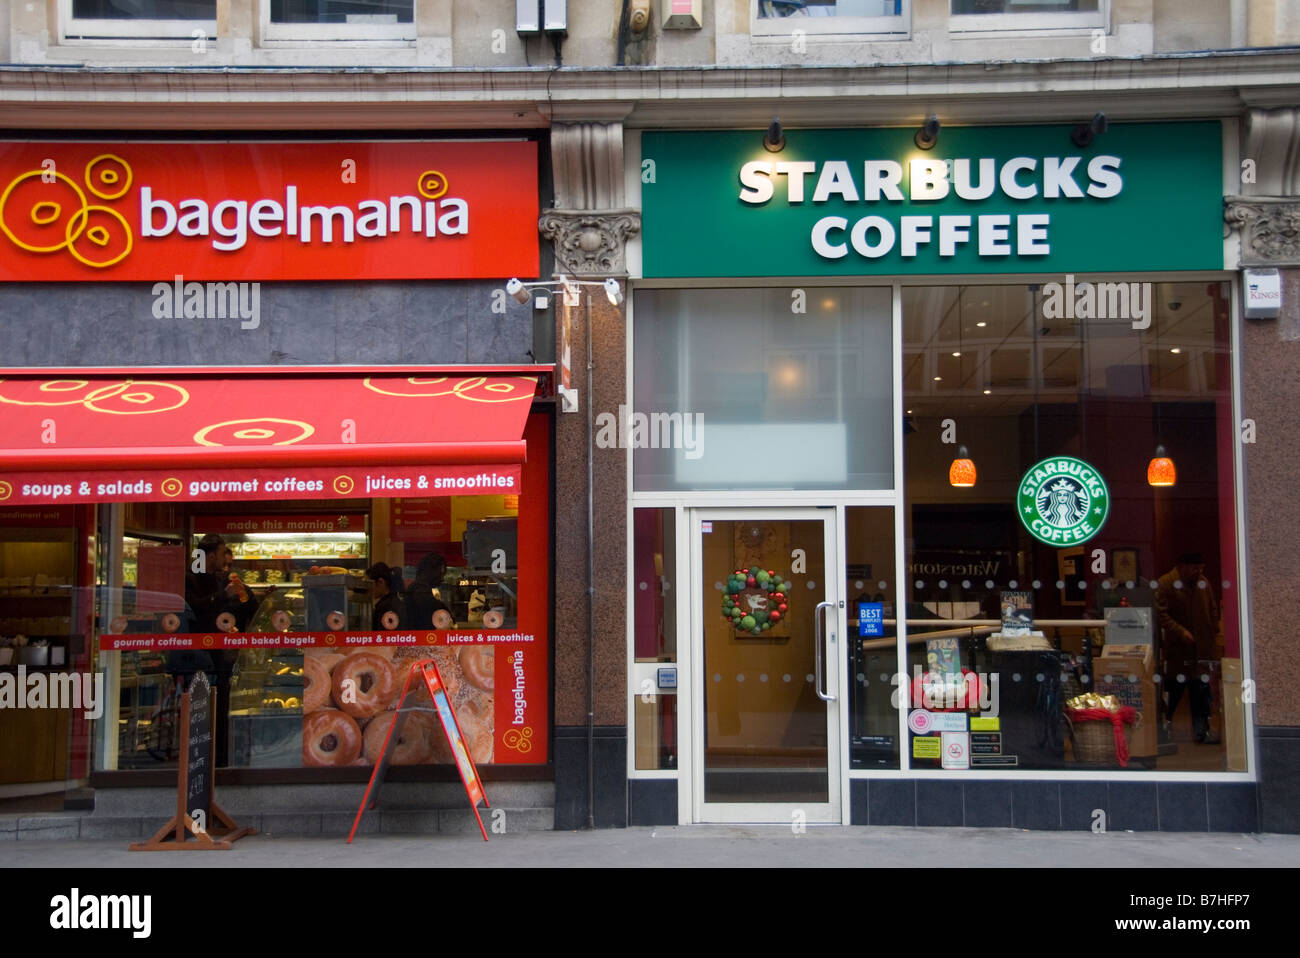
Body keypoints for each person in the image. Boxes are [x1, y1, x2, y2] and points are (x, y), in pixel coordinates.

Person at [180, 534, 260, 767]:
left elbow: (242, 607)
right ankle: (202, 758)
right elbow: (194, 610)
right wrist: (222, 596)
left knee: (222, 704)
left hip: (222, 657)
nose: (225, 559)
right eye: (222, 553)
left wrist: (246, 595)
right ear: (212, 555)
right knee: (202, 706)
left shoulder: (220, 578)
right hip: (199, 656)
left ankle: (220, 757)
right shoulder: (190, 579)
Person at [1155, 551, 1221, 744]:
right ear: (1181, 566)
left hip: (1202, 648)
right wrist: (1179, 631)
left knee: (1201, 694)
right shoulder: (1166, 583)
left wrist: (1214, 629)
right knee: (1173, 692)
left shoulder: (1203, 582)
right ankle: (1163, 731)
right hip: (1177, 650)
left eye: (1201, 568)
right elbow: (1160, 614)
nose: (1198, 572)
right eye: (1195, 568)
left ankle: (1202, 732)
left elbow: (1212, 607)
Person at [404, 552, 453, 629]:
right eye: (441, 573)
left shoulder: (418, 588)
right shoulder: (419, 589)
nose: (442, 579)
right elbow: (429, 606)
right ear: (433, 571)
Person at [366, 562, 408, 630]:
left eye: (370, 584)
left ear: (380, 582)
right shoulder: (397, 601)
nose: (368, 588)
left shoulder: (385, 606)